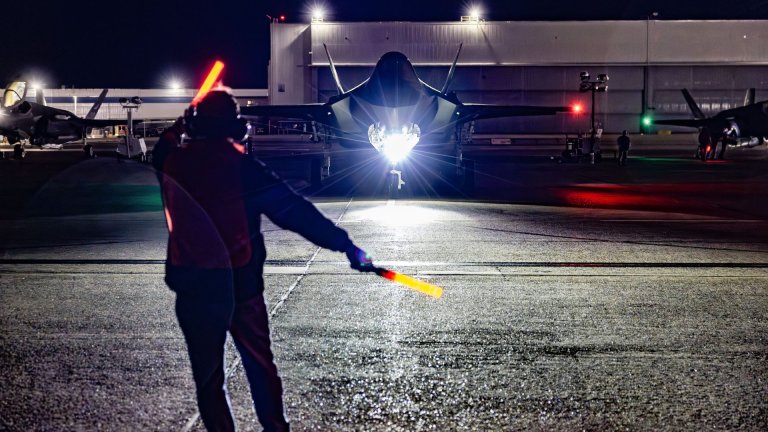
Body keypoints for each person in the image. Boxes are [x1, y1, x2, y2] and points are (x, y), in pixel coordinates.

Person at [152, 90, 375, 431]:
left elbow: (163, 146)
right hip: (241, 291)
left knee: (209, 381)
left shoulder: (171, 164)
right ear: (238, 127)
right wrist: (345, 246)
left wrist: (181, 123)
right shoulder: (244, 169)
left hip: (193, 291)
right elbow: (296, 213)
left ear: (194, 127)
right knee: (260, 368)